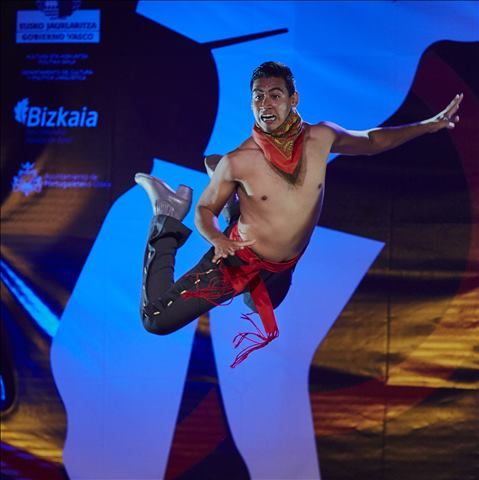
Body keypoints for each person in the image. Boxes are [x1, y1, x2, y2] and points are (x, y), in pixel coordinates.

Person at [135, 61, 462, 367]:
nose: (265, 105)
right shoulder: (238, 160)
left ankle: (237, 199)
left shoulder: (321, 137)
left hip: (283, 267)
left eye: (274, 96)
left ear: (294, 99)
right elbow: (205, 210)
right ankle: (166, 215)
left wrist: (428, 126)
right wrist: (218, 239)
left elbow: (373, 141)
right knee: (156, 320)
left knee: (258, 303)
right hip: (238, 260)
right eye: (258, 97)